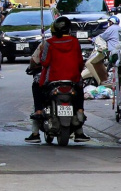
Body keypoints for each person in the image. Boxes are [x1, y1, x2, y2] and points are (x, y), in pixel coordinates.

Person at [25, 16, 90, 144]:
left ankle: (38, 113)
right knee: (79, 89)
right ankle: (79, 118)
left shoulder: (48, 43)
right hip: (73, 78)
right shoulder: (75, 41)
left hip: (52, 78)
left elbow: (44, 61)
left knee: (36, 85)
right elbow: (79, 62)